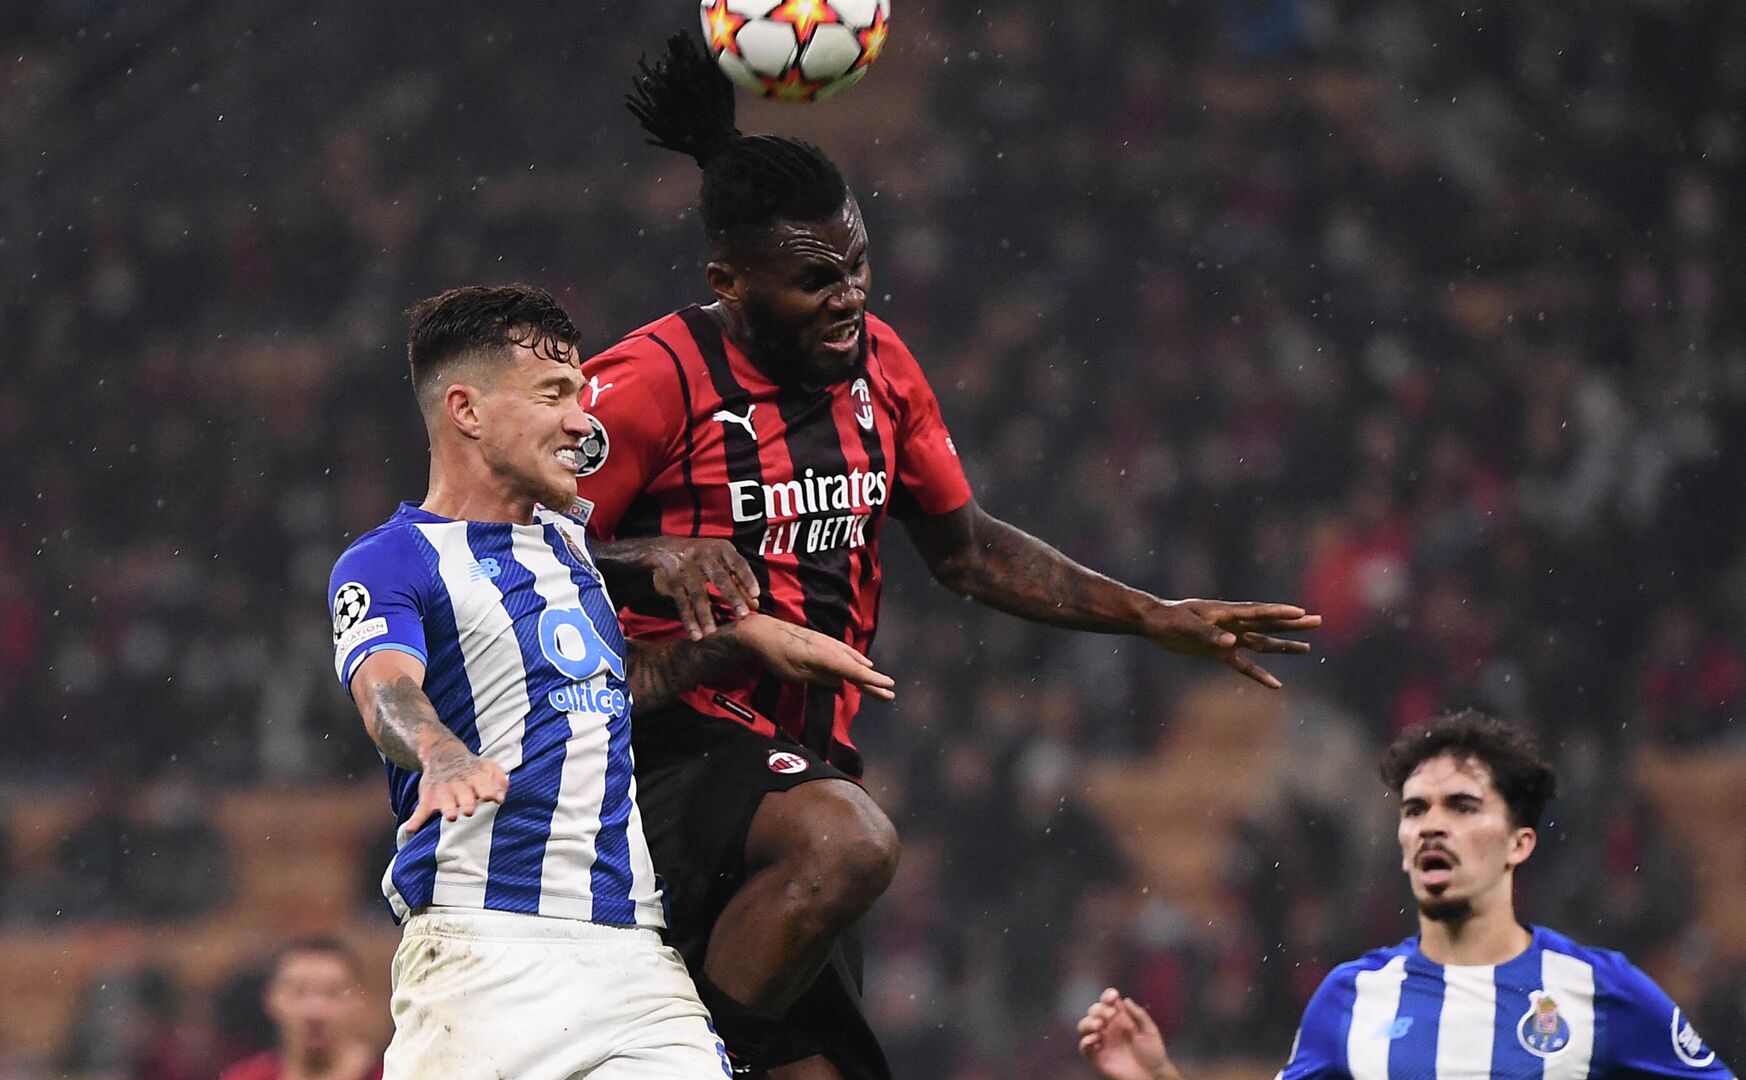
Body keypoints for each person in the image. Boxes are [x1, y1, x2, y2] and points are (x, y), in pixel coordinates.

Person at [573, 33, 1323, 1080]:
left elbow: (965, 551)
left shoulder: (881, 366)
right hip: (664, 746)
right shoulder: (652, 378)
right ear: (729, 281)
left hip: (795, 775)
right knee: (856, 847)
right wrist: (656, 553)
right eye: (815, 281)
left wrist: (1151, 615)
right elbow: (507, 544)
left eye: (860, 265)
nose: (850, 298)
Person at [327, 283, 894, 1079]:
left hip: (632, 961)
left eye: (579, 394)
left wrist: (746, 639)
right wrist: (442, 752)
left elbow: (613, 688)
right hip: (487, 957)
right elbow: (385, 689)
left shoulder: (570, 549)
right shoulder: (390, 560)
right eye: (554, 395)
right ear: (467, 409)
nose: (582, 419)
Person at [1078, 711, 1739, 1080]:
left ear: (1519, 842)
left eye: (1462, 806)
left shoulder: (1598, 992)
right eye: (1416, 810)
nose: (1432, 825)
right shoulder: (1351, 998)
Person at [218, 937, 381, 1080]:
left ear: (360, 1000)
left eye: (332, 993)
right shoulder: (244, 1077)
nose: (316, 1011)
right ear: (271, 999)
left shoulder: (395, 1074)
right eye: (299, 992)